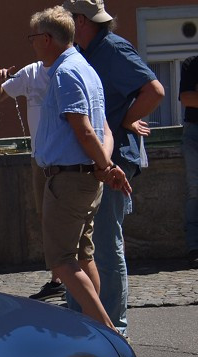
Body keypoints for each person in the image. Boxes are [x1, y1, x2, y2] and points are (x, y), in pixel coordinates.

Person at [62, 0, 165, 337]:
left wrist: (125, 119)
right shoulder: (81, 51)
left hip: (114, 159)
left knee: (106, 245)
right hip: (91, 161)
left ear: (80, 20)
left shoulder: (113, 48)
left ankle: (115, 328)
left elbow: (154, 90)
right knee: (80, 248)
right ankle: (85, 321)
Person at [29, 6, 129, 328]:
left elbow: (85, 130)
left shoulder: (66, 72)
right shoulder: (86, 68)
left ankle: (106, 333)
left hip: (69, 180)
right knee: (84, 258)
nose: (32, 45)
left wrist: (107, 167)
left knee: (61, 261)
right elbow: (106, 131)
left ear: (46, 39)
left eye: (33, 38)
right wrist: (106, 166)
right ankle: (93, 330)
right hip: (85, 178)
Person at [0, 59, 64, 301]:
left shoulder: (69, 68)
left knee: (71, 218)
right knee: (46, 216)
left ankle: (74, 276)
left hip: (67, 155)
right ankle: (58, 278)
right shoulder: (31, 71)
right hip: (39, 157)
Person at [183, 54, 198, 268]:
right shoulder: (190, 64)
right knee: (195, 190)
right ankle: (194, 247)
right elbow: (187, 98)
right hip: (194, 132)